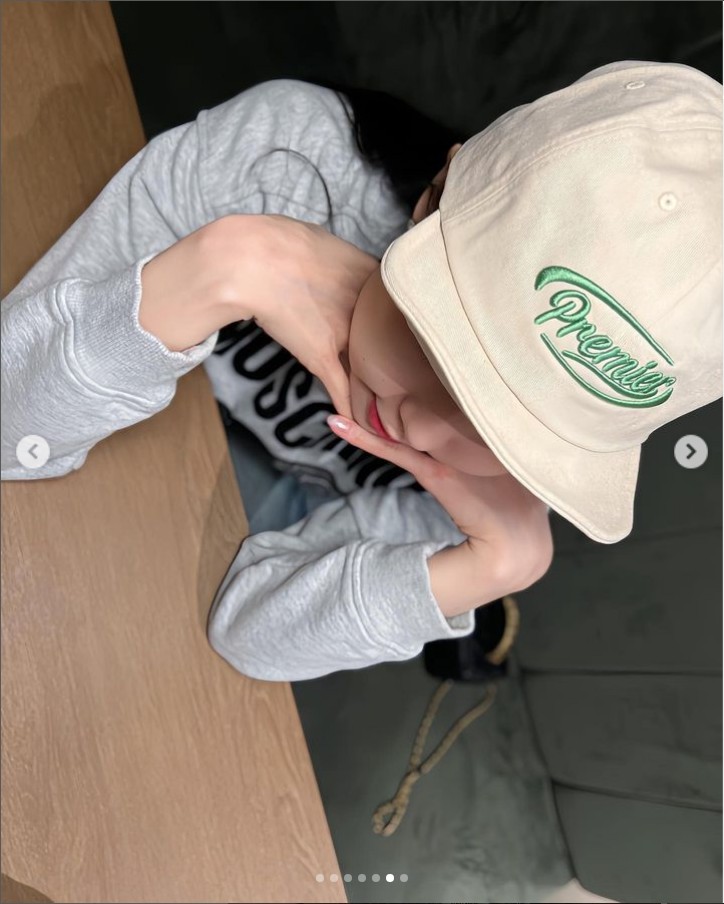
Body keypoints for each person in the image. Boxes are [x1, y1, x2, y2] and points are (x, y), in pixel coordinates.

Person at [2, 61, 720, 683]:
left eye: (503, 422)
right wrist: (232, 262)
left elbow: (249, 637)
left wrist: (498, 566)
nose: (420, 430)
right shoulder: (290, 161)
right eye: (439, 348)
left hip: (248, 515)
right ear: (435, 190)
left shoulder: (522, 481)